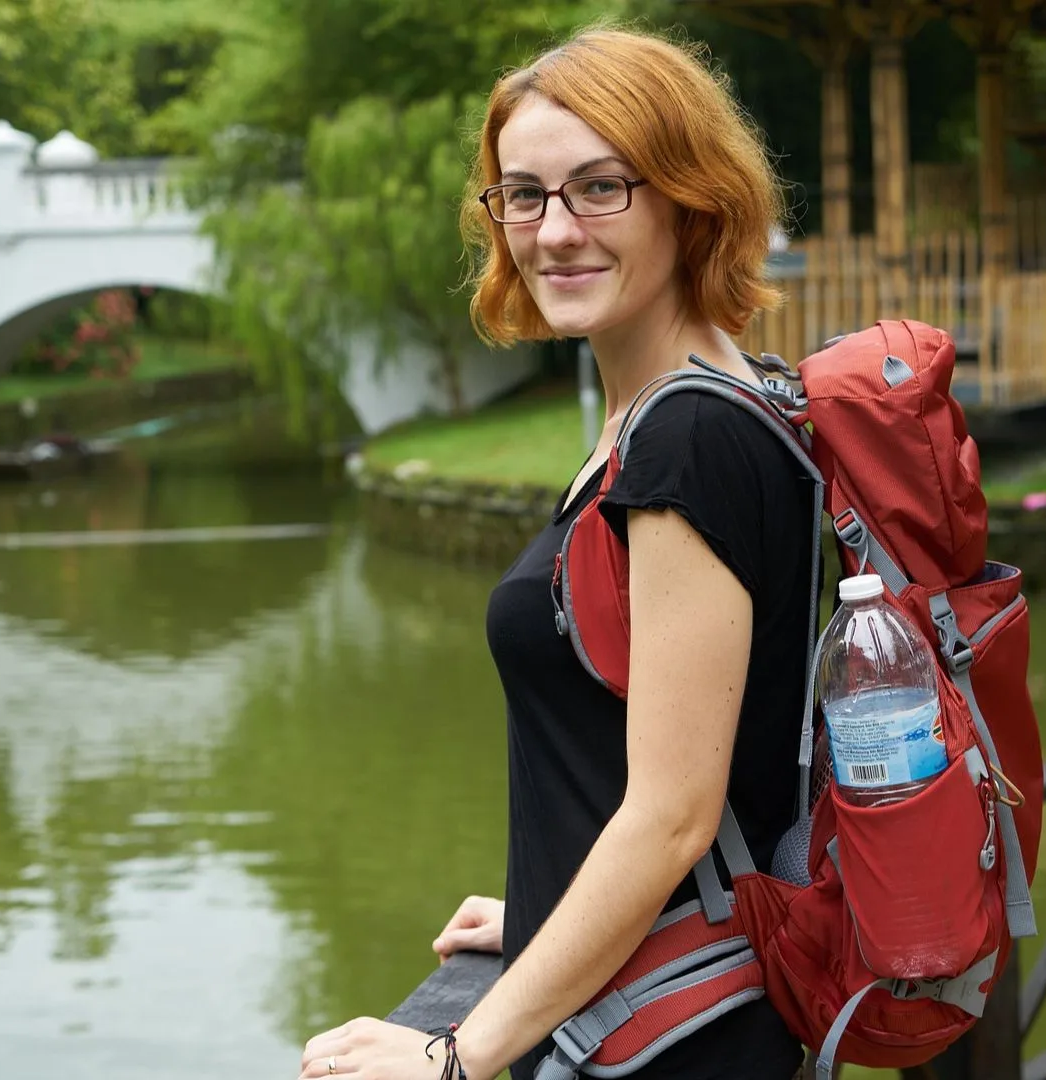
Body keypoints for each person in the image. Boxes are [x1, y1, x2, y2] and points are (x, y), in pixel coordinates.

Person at [297, 25, 816, 1080]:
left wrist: (458, 1053)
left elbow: (675, 818)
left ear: (689, 195)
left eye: (599, 189)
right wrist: (546, 910)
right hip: (661, 991)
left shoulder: (687, 438)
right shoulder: (709, 400)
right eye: (523, 195)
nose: (555, 230)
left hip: (670, 1042)